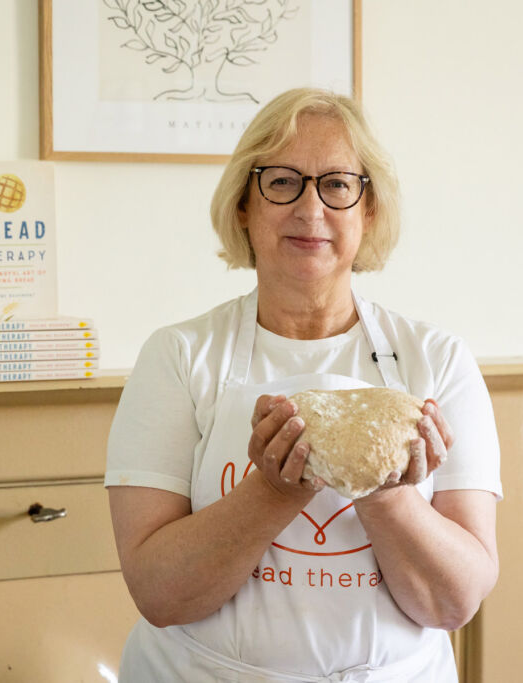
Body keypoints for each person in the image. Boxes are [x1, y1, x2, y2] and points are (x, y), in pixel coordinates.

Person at [105, 87, 502, 682]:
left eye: (338, 184)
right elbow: (161, 595)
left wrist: (383, 490)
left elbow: (453, 603)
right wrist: (274, 490)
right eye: (282, 181)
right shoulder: (179, 357)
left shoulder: (437, 361)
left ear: (368, 212)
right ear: (244, 203)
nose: (310, 209)